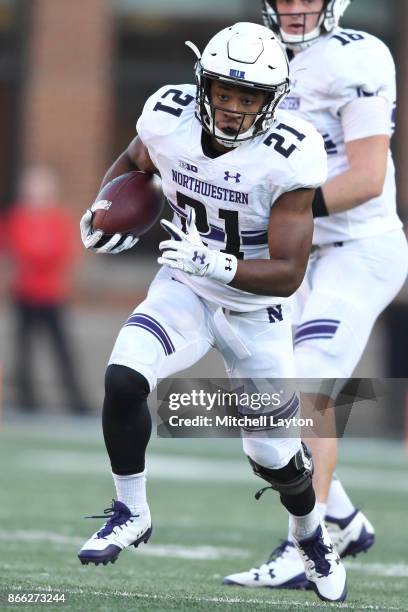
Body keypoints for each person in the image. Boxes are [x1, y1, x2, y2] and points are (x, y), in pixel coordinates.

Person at [78, 22, 348, 602]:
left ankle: (310, 536)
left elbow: (289, 272)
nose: (232, 106)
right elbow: (133, 165)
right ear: (203, 82)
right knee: (124, 377)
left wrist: (220, 264)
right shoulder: (168, 115)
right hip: (184, 288)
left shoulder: (289, 154)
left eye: (248, 96)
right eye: (224, 90)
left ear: (271, 100)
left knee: (276, 460)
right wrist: (103, 211)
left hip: (256, 310)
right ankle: (131, 510)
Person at [223, 0, 408, 590]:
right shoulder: (252, 53)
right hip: (293, 258)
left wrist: (284, 215)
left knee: (306, 388)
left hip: (357, 249)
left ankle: (306, 547)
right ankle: (343, 517)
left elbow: (366, 177)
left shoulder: (357, 56)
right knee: (260, 398)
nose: (297, 7)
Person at [3, 165, 91, 415]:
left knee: (62, 350)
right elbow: (17, 250)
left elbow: (61, 253)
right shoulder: (17, 218)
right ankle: (26, 399)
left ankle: (76, 400)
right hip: (24, 294)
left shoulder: (59, 219)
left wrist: (36, 256)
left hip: (52, 295)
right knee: (23, 349)